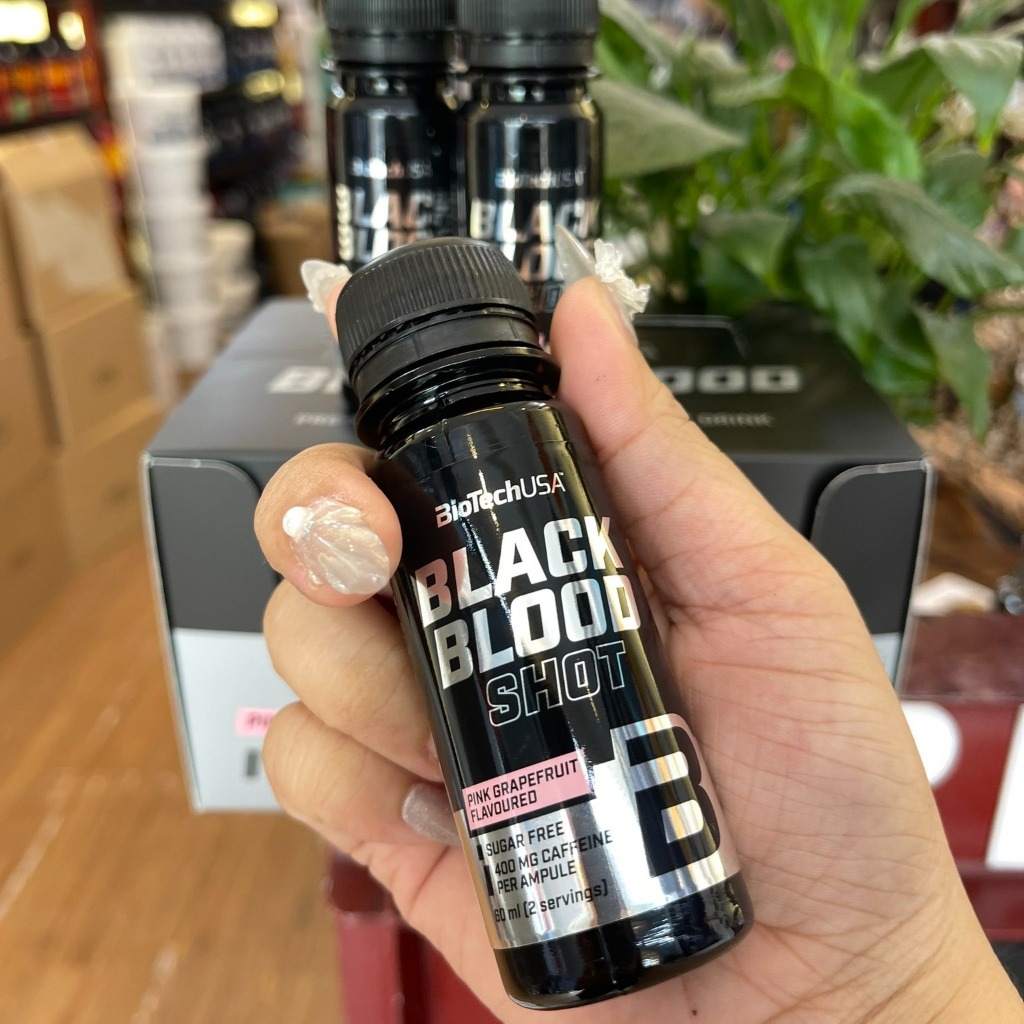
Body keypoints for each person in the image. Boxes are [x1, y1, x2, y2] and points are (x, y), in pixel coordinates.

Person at [252, 249, 1024, 1022]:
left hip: (705, 876)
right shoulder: (405, 476)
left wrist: (900, 990)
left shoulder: (544, 426)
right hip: (547, 896)